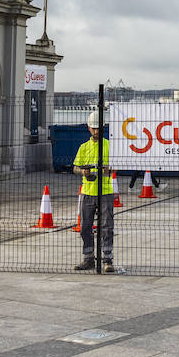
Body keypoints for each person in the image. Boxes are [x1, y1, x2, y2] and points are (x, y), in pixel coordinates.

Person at [73, 111, 116, 272]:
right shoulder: (84, 147)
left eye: (99, 128)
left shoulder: (109, 145)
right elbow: (75, 167)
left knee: (106, 226)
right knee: (85, 226)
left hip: (105, 190)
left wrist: (108, 169)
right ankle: (88, 257)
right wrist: (83, 172)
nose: (96, 131)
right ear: (89, 128)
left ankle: (107, 258)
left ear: (103, 127)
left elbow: (116, 165)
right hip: (88, 191)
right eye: (94, 128)